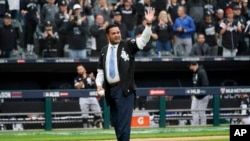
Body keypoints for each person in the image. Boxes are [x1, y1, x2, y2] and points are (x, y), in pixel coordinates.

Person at [95, 7, 155, 141]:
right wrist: (99, 85)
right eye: (114, 33)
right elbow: (100, 71)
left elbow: (143, 41)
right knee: (116, 122)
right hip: (110, 91)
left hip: (125, 90)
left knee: (123, 124)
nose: (117, 35)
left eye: (118, 32)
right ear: (107, 36)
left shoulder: (127, 45)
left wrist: (148, 24)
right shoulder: (104, 50)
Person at [188, 61, 210, 126]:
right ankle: (196, 125)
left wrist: (200, 95)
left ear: (193, 65)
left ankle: (203, 125)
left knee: (201, 111)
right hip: (196, 95)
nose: (189, 67)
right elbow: (195, 85)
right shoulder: (195, 73)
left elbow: (205, 85)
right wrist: (194, 94)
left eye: (190, 66)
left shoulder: (201, 72)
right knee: (193, 110)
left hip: (203, 96)